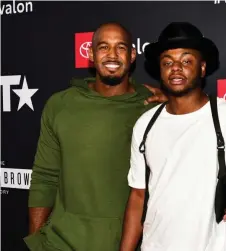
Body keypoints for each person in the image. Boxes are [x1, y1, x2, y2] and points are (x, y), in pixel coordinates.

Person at [24, 22, 163, 251]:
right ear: (90, 53)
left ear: (131, 55)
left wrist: (171, 98)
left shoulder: (151, 108)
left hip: (126, 243)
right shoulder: (61, 105)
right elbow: (44, 177)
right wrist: (37, 242)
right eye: (103, 47)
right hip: (61, 242)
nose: (112, 55)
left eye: (120, 47)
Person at [119, 22, 226, 251]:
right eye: (168, 62)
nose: (176, 68)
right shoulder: (145, 124)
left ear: (202, 68)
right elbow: (138, 197)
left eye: (186, 61)